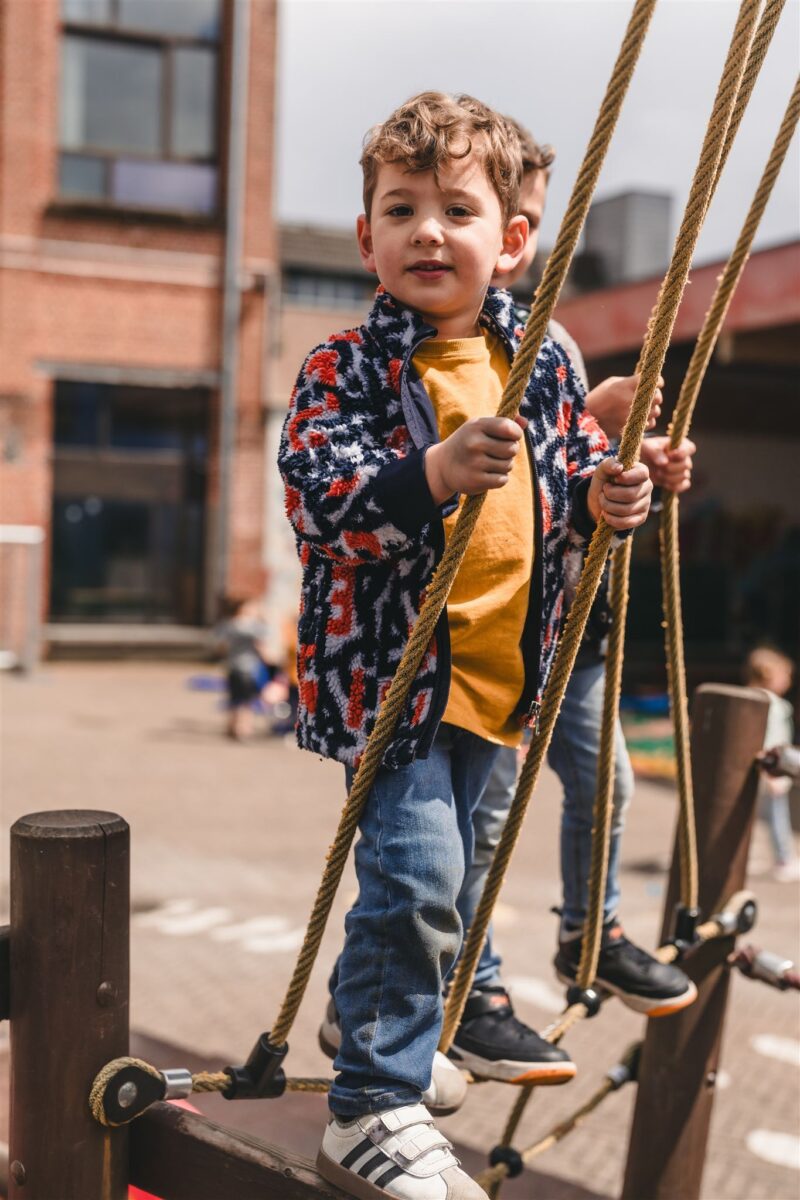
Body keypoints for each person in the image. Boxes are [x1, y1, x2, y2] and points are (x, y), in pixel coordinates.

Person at [279, 92, 654, 1200]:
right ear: (366, 239)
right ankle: (372, 1108)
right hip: (392, 686)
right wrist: (431, 474)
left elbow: (560, 504)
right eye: (401, 210)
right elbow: (320, 500)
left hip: (502, 681)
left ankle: (373, 1023)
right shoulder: (342, 365)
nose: (428, 231)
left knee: (441, 882)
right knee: (420, 873)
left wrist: (606, 495)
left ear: (512, 239)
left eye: (457, 209)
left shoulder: (539, 366)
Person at [448, 118, 699, 1089]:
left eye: (531, 223)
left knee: (610, 784)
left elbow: (563, 457)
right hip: (503, 632)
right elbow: (518, 464)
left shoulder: (540, 336)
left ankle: (587, 934)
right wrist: (587, 431)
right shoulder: (461, 337)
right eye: (505, 216)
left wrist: (623, 454)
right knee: (481, 816)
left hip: (570, 630)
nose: (519, 243)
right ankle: (467, 988)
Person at [745, 647, 799, 882]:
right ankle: (784, 858)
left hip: (753, 768)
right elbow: (771, 740)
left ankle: (745, 854)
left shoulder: (747, 698)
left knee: (748, 814)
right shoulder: (773, 705)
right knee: (777, 816)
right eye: (785, 676)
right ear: (768, 675)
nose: (788, 681)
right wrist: (774, 773)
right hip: (772, 769)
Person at [214, 595, 271, 741]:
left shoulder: (228, 624)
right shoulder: (254, 626)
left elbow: (220, 646)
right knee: (247, 700)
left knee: (234, 698)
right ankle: (244, 729)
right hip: (249, 667)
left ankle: (232, 726)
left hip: (232, 666)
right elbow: (261, 644)